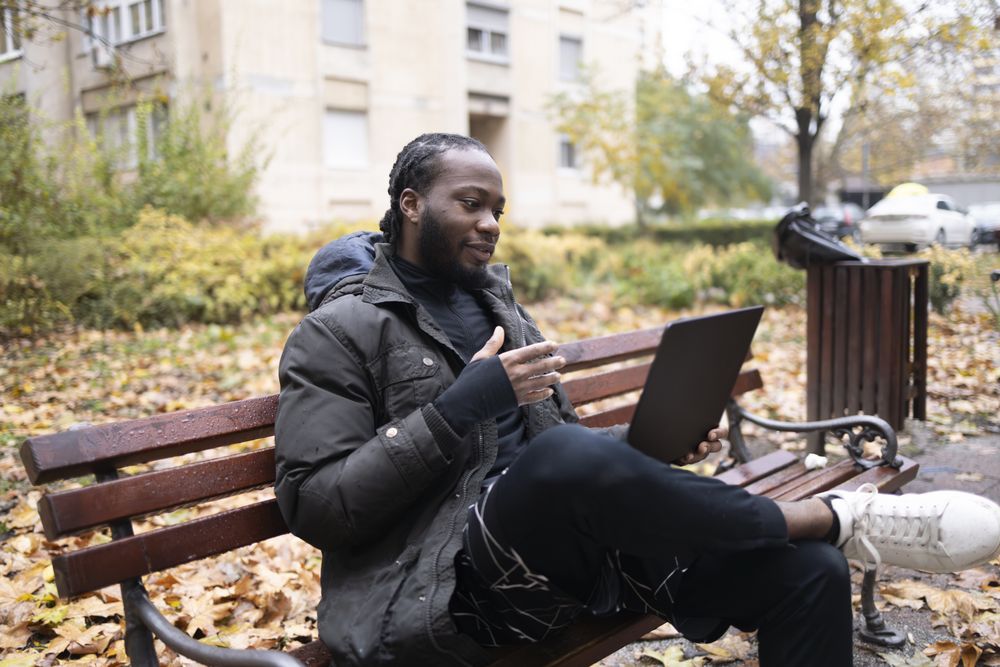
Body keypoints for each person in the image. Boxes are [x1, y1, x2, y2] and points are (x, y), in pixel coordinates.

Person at [274, 133, 1000, 667]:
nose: (491, 223)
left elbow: (561, 457)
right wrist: (458, 407)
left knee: (810, 573)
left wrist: (651, 447)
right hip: (450, 591)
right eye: (471, 204)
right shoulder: (338, 332)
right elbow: (316, 506)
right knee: (566, 456)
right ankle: (828, 517)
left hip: (576, 561)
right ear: (410, 205)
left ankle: (826, 533)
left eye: (498, 208)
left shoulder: (500, 308)